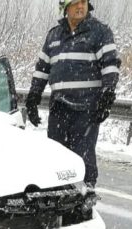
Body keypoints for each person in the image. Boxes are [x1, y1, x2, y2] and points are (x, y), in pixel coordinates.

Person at [25, 0, 120, 187]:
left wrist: (107, 96)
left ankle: (85, 195)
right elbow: (42, 69)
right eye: (75, 2)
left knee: (82, 158)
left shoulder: (99, 32)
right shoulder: (54, 36)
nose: (80, 6)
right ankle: (57, 197)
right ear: (65, 7)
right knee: (55, 159)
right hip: (59, 108)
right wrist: (33, 97)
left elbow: (110, 66)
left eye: (83, 2)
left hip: (86, 109)